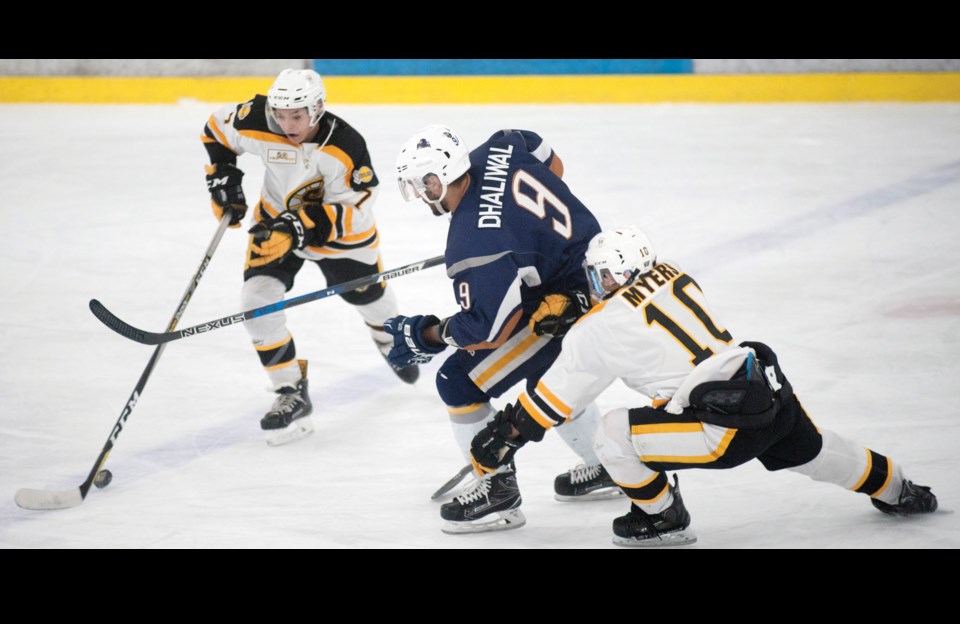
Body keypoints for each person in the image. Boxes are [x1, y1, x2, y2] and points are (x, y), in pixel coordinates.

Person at [470, 225, 938, 546]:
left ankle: (661, 517)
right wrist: (591, 311)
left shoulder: (597, 330)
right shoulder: (672, 272)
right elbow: (634, 315)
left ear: (617, 274)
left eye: (601, 276)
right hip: (765, 386)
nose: (595, 283)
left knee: (612, 434)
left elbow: (553, 401)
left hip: (720, 427)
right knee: (815, 451)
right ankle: (899, 488)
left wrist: (509, 432)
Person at [385, 125, 620, 534]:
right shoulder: (500, 146)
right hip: (603, 272)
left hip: (570, 302)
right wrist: (522, 231)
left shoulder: (474, 243)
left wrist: (427, 335)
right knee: (550, 375)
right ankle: (612, 465)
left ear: (438, 176)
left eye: (423, 185)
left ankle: (497, 494)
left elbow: (489, 328)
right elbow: (549, 159)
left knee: (456, 380)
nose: (421, 196)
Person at [201, 68, 419, 446]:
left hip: (340, 237)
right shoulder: (257, 119)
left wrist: (299, 227)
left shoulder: (346, 145)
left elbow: (358, 210)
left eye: (296, 115)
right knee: (256, 303)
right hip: (273, 224)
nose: (286, 124)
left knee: (367, 297)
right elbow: (216, 129)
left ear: (317, 109)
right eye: (280, 114)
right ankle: (290, 390)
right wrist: (223, 176)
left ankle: (388, 338)